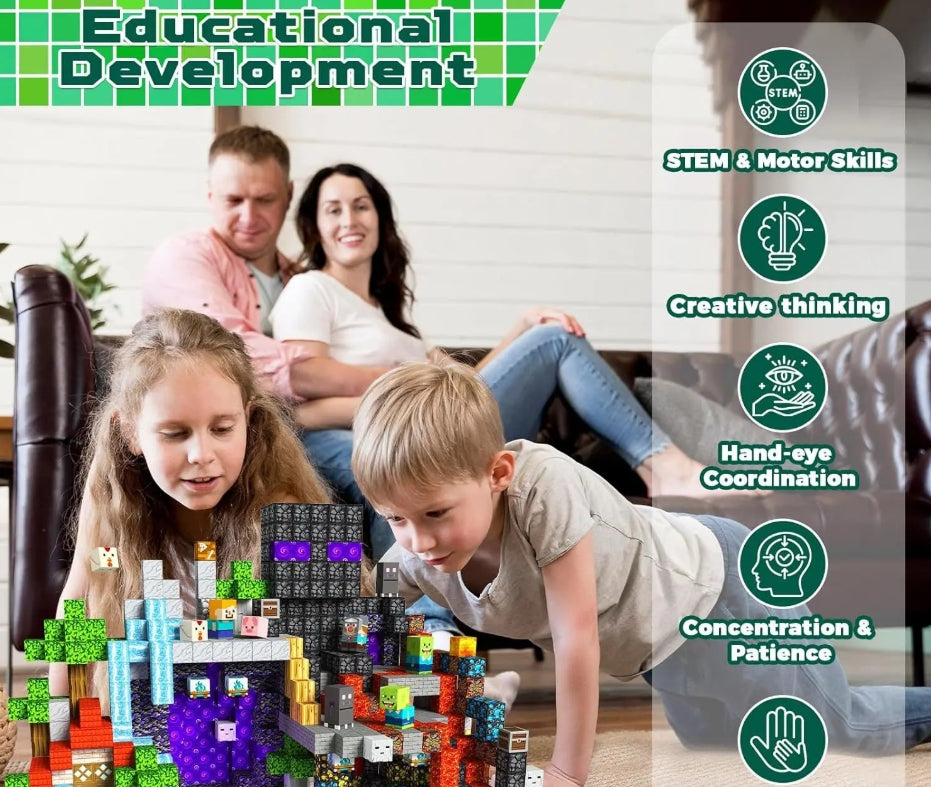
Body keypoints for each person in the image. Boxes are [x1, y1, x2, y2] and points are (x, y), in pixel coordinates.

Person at [349, 360, 931, 787]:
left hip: (721, 592)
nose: (418, 540)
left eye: (435, 515)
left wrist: (566, 772)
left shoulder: (544, 488)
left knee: (836, 726)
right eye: (395, 518)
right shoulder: (417, 554)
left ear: (497, 474)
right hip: (657, 648)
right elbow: (362, 616)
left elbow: (577, 637)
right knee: (718, 747)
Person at [271, 162, 726, 567]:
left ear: (380, 218)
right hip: (404, 433)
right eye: (333, 209)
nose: (349, 219)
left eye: (361, 206)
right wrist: (395, 387)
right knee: (555, 341)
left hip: (441, 424)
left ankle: (659, 465)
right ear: (314, 226)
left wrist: (520, 328)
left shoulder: (394, 321)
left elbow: (462, 384)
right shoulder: (310, 289)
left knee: (546, 335)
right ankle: (663, 465)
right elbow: (302, 380)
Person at [55, 309, 334, 695]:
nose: (201, 454)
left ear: (248, 420)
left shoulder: (285, 514)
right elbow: (79, 599)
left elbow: (320, 665)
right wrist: (59, 732)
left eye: (222, 429)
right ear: (130, 432)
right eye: (174, 433)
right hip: (159, 707)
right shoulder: (112, 493)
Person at [141, 126, 315, 400]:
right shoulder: (181, 257)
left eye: (264, 200)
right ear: (210, 195)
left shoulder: (303, 279)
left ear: (289, 195)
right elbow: (226, 353)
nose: (248, 217)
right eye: (234, 200)